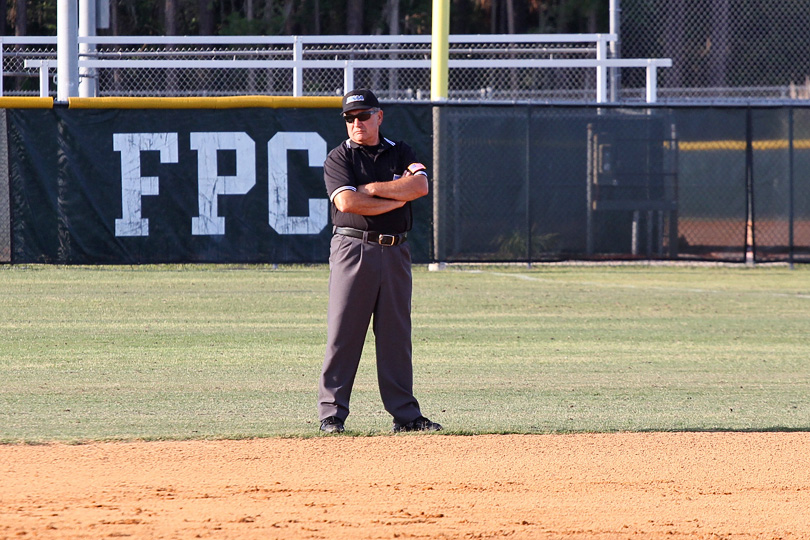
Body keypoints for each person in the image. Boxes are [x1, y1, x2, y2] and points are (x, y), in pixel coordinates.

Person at [317, 88, 442, 434]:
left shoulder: (400, 151)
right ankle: (332, 414)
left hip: (397, 251)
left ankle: (405, 415)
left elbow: (418, 187)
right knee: (344, 331)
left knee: (396, 336)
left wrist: (371, 189)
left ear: (379, 116)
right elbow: (348, 204)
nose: (357, 122)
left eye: (363, 115)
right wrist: (393, 197)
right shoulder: (339, 158)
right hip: (353, 249)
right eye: (350, 117)